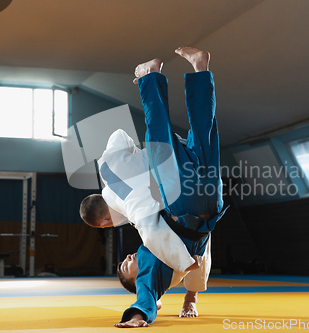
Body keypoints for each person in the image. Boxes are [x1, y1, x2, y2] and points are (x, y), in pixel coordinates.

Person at [112, 46, 226, 328]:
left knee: (205, 132)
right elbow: (147, 295)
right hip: (183, 200)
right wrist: (139, 316)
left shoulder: (164, 257)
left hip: (211, 205)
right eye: (126, 267)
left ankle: (201, 68)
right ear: (137, 279)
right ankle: (150, 74)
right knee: (157, 133)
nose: (128, 258)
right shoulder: (150, 266)